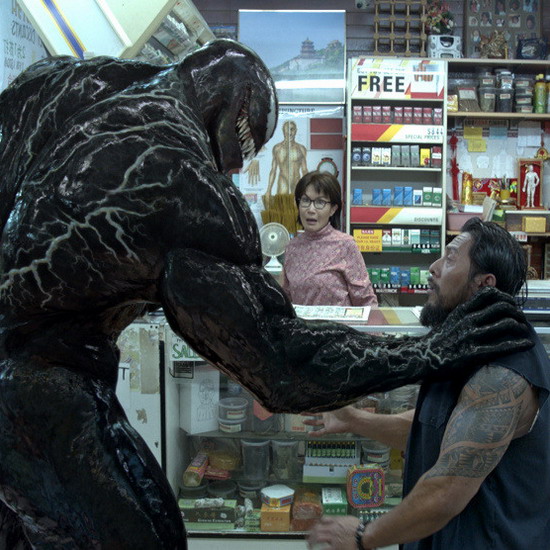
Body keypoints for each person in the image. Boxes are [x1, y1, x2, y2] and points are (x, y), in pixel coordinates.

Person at [0, 38, 533, 548]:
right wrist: (429, 352)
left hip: (29, 368)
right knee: (143, 534)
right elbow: (279, 360)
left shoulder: (80, 83)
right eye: (245, 150)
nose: (237, 168)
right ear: (237, 113)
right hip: (36, 381)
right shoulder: (186, 182)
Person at [306, 218, 550, 550]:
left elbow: (446, 489)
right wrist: (353, 420)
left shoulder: (503, 372)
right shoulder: (465, 344)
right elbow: (439, 429)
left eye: (450, 259)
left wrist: (365, 536)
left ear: (484, 284)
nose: (432, 268)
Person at [282, 171, 377, 307]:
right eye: (305, 200)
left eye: (320, 202)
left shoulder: (345, 245)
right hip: (301, 322)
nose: (311, 209)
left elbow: (366, 300)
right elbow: (287, 298)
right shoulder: (292, 247)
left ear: (333, 209)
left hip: (339, 321)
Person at [264, 120, 308, 202]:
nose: (289, 133)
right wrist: (268, 190)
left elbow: (304, 170)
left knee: (297, 207)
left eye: (292, 129)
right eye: (287, 129)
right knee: (281, 206)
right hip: (283, 181)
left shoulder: (301, 149)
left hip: (296, 181)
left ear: (296, 131)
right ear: (283, 131)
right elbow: (273, 170)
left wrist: (307, 189)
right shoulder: (277, 148)